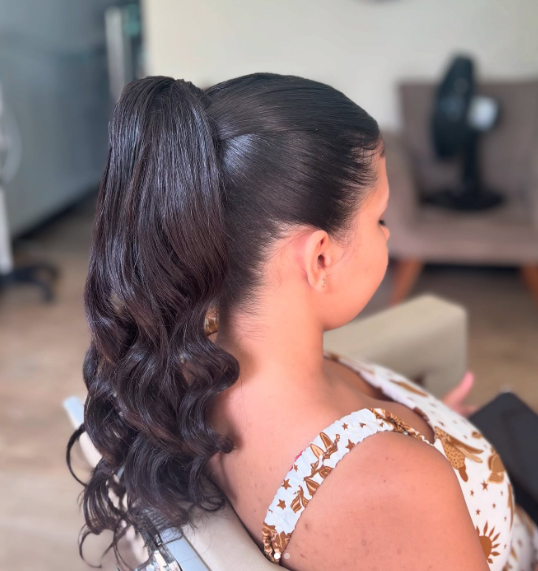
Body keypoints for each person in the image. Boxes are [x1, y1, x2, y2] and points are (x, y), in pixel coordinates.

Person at [67, 72, 538, 571]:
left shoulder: (195, 365)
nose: (387, 234)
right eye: (378, 219)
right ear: (319, 258)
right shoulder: (393, 483)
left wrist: (437, 427)